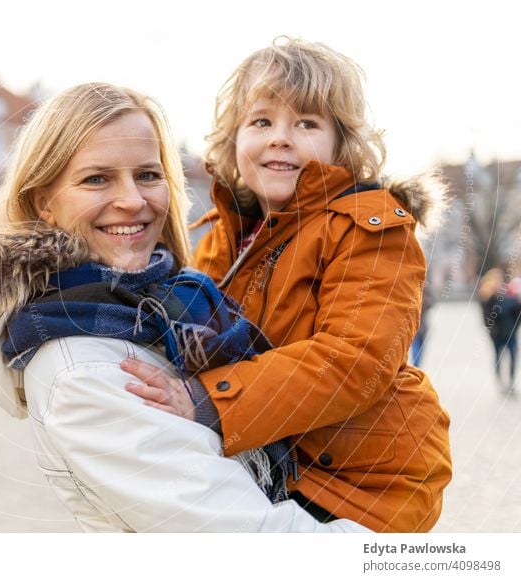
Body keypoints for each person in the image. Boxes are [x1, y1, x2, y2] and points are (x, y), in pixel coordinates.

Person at [0, 82, 366, 532]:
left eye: (148, 175)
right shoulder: (83, 371)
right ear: (44, 203)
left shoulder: (174, 303)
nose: (133, 201)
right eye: (97, 178)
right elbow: (257, 541)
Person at [121, 38, 452, 532]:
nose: (281, 137)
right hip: (273, 461)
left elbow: (355, 359)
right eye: (262, 121)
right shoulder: (227, 235)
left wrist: (208, 399)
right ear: (234, 140)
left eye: (307, 123)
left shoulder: (370, 228)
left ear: (342, 145)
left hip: (362, 481)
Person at [478, 268, 521, 394]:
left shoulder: (510, 295)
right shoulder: (487, 298)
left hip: (510, 333)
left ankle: (511, 382)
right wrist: (492, 328)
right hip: (496, 334)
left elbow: (518, 313)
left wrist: (515, 327)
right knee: (497, 357)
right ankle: (500, 382)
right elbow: (486, 318)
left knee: (513, 356)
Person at [409, 283, 436, 367]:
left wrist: (423, 302)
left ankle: (417, 365)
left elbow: (431, 302)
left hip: (423, 327)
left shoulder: (426, 289)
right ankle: (416, 365)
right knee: (415, 348)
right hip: (414, 327)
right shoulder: (411, 289)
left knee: (421, 348)